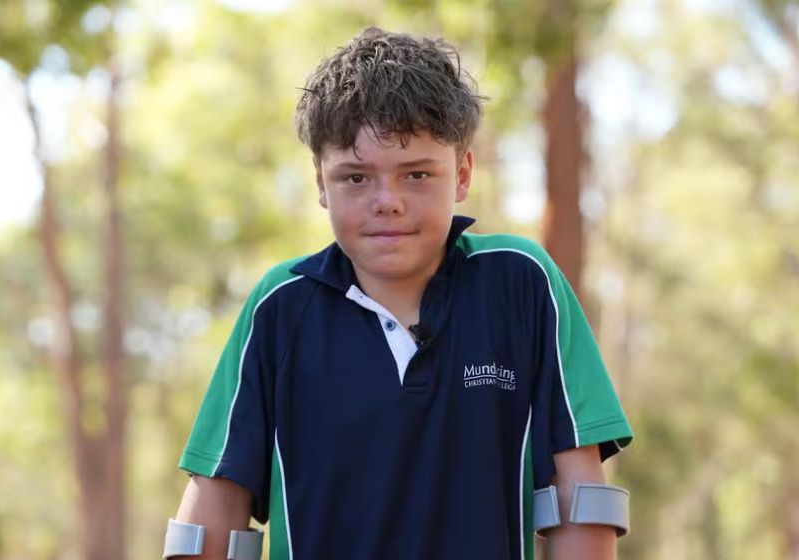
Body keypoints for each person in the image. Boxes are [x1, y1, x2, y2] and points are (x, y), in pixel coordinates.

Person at [165, 27, 633, 560]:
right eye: (356, 178)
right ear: (321, 182)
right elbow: (212, 523)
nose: (387, 201)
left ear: (461, 174)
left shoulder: (521, 282)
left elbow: (579, 503)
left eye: (415, 174)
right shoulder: (281, 308)